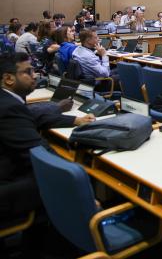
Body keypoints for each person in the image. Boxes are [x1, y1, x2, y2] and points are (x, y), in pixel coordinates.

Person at [0, 52, 95, 220]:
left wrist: (75, 120)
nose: (34, 75)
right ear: (8, 79)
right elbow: (39, 151)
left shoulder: (7, 100)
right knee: (75, 179)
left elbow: (28, 116)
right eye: (28, 72)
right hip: (7, 184)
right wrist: (75, 175)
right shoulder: (8, 108)